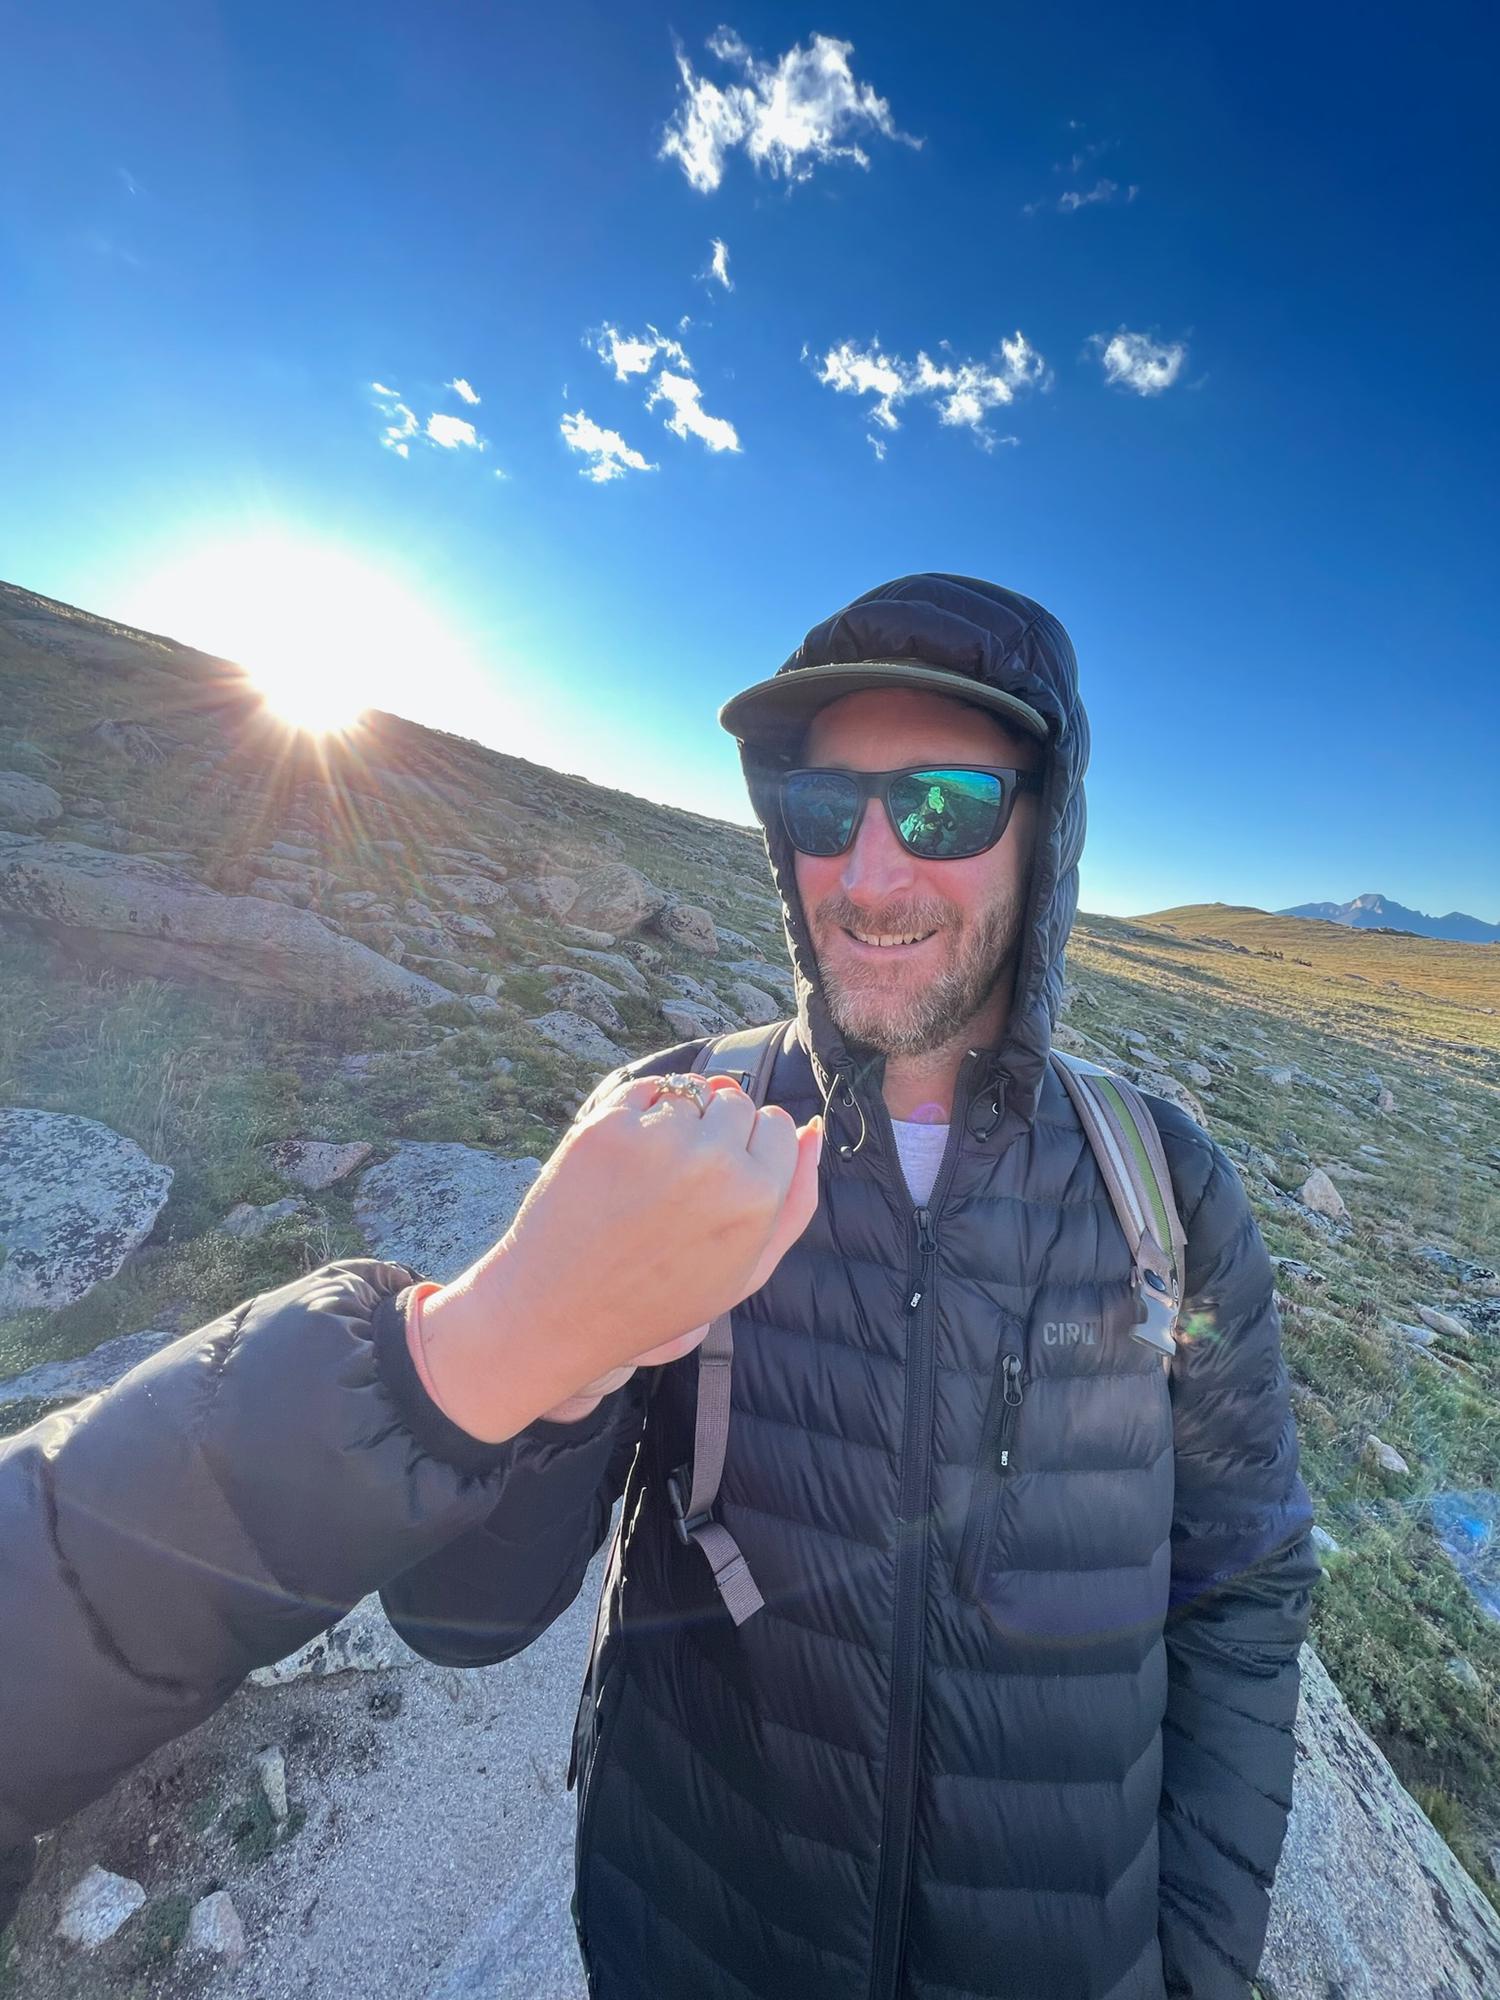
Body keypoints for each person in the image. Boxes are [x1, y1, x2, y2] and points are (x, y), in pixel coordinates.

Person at [0, 573, 1317, 2000]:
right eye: (826, 812)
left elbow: (1245, 1589)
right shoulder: (671, 1123)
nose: (868, 878)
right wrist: (561, 1363)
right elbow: (466, 1621)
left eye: (942, 807)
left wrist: (1196, 1954)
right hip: (694, 1939)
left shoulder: (1160, 1186)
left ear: (1043, 827)